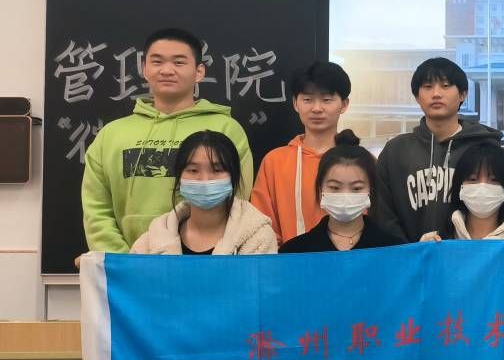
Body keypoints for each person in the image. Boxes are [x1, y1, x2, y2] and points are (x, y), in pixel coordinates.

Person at [82, 27, 253, 253]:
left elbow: (238, 201)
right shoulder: (111, 135)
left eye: (179, 62)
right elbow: (96, 208)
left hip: (205, 261)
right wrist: (123, 262)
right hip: (127, 265)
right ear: (144, 68)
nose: (167, 70)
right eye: (157, 61)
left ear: (199, 71)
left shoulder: (226, 129)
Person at [373, 57, 500, 241]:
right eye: (427, 87)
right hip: (409, 256)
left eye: (446, 86)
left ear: (463, 94)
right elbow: (383, 214)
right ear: (417, 97)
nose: (436, 94)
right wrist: (412, 251)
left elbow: (503, 206)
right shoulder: (395, 151)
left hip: (470, 255)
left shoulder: (485, 148)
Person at [251, 60, 353, 244]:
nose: (317, 108)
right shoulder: (274, 162)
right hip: (288, 259)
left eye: (327, 100)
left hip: (351, 259)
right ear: (295, 103)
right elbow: (260, 226)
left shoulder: (359, 161)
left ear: (344, 104)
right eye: (307, 99)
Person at [130, 130, 275, 255]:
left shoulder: (259, 239)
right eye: (193, 170)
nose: (204, 180)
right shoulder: (153, 240)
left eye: (217, 170)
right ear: (179, 178)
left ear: (233, 176)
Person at [280, 133, 401, 252]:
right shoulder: (294, 251)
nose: (345, 195)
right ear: (320, 189)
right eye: (335, 187)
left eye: (356, 188)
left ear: (371, 190)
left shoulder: (393, 250)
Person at [421, 142, 504, 242]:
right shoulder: (435, 240)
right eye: (472, 179)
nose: (482, 186)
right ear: (459, 186)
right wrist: (426, 252)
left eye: (494, 179)